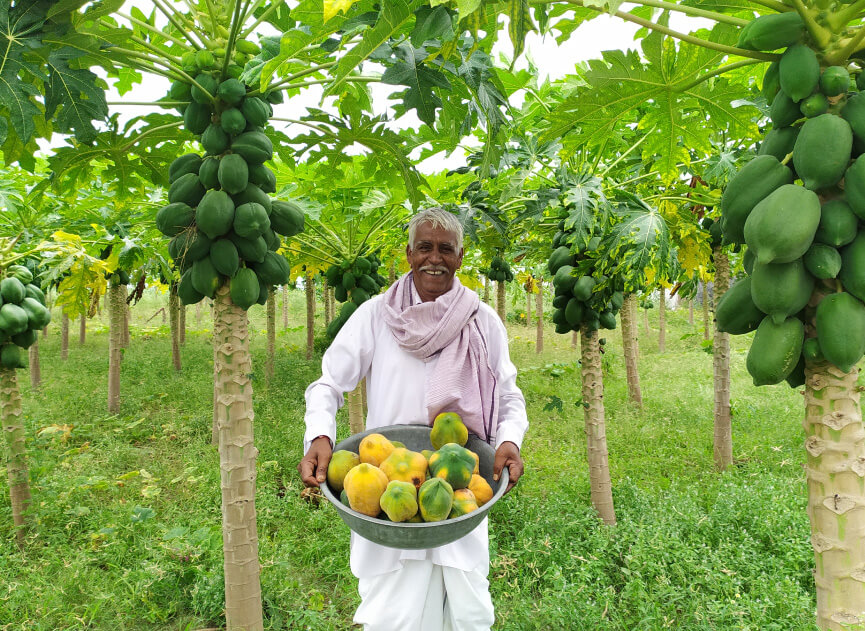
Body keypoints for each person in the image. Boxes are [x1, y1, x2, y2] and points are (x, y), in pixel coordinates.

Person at [298, 207, 529, 630]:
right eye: (424, 247)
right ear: (409, 254)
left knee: (467, 615)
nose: (434, 258)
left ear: (460, 257)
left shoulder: (482, 321)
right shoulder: (376, 315)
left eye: (445, 249)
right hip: (386, 494)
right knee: (393, 618)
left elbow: (508, 395)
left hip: (459, 488)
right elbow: (328, 383)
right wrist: (319, 435)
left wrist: (510, 439)